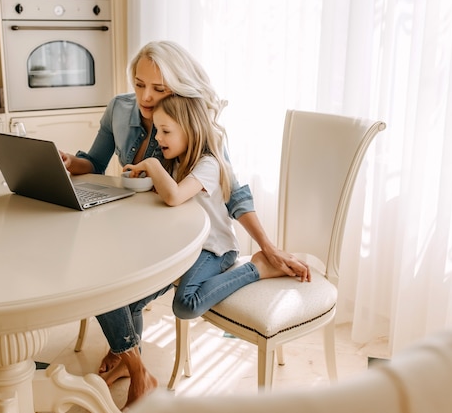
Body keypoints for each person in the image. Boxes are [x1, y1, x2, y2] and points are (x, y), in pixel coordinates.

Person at [60, 40, 310, 408]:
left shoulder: (191, 127)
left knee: (122, 291)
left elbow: (230, 192)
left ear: (178, 90)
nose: (145, 97)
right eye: (139, 83)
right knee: (103, 286)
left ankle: (132, 363)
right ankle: (135, 364)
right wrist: (67, 161)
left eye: (158, 89)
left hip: (179, 240)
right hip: (134, 229)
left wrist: (269, 248)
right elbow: (94, 163)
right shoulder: (120, 109)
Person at [124, 94, 311, 322]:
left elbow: (174, 197)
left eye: (165, 131)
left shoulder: (208, 164)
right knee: (129, 296)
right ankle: (127, 353)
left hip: (215, 249)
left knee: (186, 305)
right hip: (187, 247)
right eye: (157, 131)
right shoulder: (174, 162)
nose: (158, 138)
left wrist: (151, 164)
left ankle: (257, 268)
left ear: (190, 130)